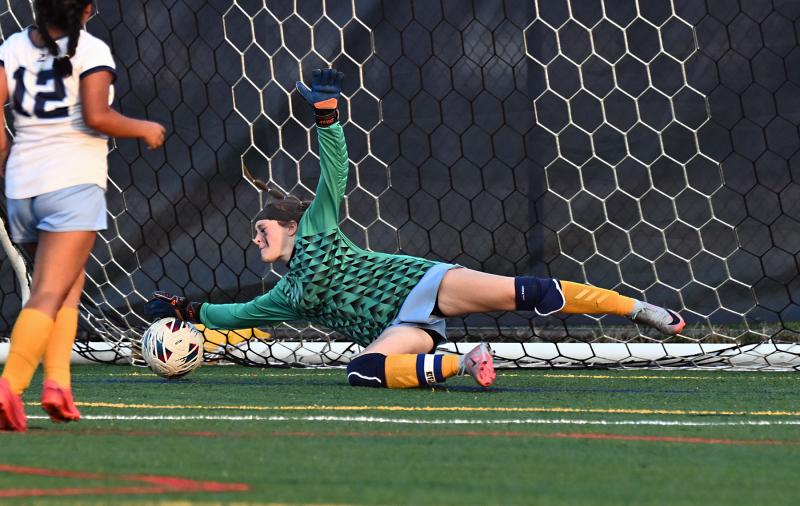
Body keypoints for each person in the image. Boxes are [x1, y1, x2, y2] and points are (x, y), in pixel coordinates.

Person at [145, 69, 684, 390]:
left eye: (262, 227)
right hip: (406, 327)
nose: (255, 237)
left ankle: (639, 310)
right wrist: (186, 311)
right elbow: (233, 315)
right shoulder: (288, 296)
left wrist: (328, 117)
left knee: (524, 292)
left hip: (420, 284)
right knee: (363, 371)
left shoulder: (316, 227)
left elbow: (335, 174)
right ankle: (466, 362)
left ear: (289, 223)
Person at [0, 0, 165, 432]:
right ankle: (10, 387)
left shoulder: (13, 45)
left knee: (67, 285)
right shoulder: (91, 51)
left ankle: (58, 385)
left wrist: (5, 156)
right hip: (71, 183)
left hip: (22, 187)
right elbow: (97, 116)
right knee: (51, 291)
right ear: (88, 9)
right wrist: (144, 128)